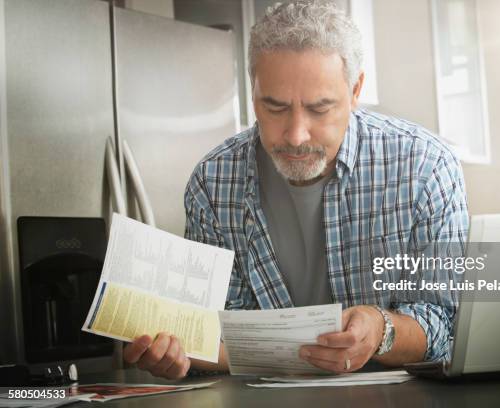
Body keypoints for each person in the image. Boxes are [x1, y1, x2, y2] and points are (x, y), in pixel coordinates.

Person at [123, 1, 469, 379]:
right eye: (274, 107)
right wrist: (181, 355)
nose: (296, 135)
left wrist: (381, 329)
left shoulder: (425, 167)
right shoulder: (213, 182)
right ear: (252, 90)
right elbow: (220, 335)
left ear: (355, 90)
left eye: (320, 109)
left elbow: (446, 325)